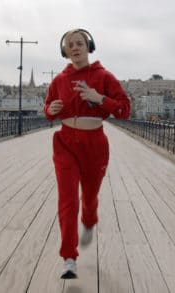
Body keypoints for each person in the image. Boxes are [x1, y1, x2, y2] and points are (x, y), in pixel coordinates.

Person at [43, 28, 130, 279]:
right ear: (65, 50)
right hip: (65, 143)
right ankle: (69, 258)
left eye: (80, 43)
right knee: (68, 200)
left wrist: (99, 98)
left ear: (89, 46)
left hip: (95, 144)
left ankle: (90, 219)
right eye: (70, 44)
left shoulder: (104, 76)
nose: (75, 47)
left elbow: (124, 110)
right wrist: (52, 109)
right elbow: (48, 109)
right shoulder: (59, 80)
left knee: (89, 197)